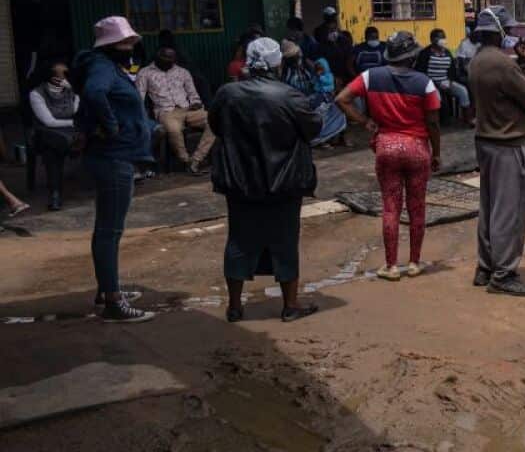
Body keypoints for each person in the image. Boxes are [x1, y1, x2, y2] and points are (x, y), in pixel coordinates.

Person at [209, 37, 322, 323]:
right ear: (277, 63)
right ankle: (290, 305)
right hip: (282, 181)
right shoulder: (289, 96)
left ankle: (235, 307)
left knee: (238, 240)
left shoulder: (227, 94)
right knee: (284, 241)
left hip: (240, 180)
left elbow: (215, 125)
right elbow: (313, 128)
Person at [336, 32, 442, 281]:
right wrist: (436, 154)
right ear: (413, 57)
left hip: (386, 148)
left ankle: (391, 266)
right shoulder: (425, 83)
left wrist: (365, 121)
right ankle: (415, 263)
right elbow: (434, 123)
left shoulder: (371, 76)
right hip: (417, 149)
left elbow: (342, 99)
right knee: (417, 207)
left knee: (390, 207)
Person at [72, 17, 155, 322]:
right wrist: (111, 126)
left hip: (112, 156)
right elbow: (94, 94)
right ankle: (113, 302)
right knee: (110, 230)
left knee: (106, 228)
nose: (131, 46)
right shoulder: (102, 68)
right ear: (110, 45)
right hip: (113, 158)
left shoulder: (104, 65)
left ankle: (106, 288)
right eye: (126, 42)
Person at [469, 6, 525, 296]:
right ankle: (504, 273)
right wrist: (522, 65)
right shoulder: (503, 64)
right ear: (498, 31)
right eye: (507, 30)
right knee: (510, 211)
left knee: (489, 207)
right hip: (507, 143)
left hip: (485, 141)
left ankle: (485, 267)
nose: (510, 34)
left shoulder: (477, 61)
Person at [134, 43, 216, 174]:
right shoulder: (145, 73)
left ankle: (196, 159)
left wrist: (196, 103)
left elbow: (192, 93)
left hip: (188, 109)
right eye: (166, 60)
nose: (169, 63)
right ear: (157, 58)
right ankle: (186, 161)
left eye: (171, 61)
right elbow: (139, 97)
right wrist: (143, 116)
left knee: (214, 121)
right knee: (174, 130)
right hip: (166, 112)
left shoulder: (182, 72)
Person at [28, 59, 78, 210]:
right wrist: (74, 123)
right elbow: (49, 121)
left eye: (66, 76)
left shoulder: (72, 92)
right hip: (46, 133)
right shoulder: (37, 94)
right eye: (61, 76)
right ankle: (55, 194)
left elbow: (77, 113)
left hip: (71, 132)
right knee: (52, 147)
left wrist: (73, 90)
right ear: (52, 77)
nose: (64, 79)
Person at [417, 28, 473, 124]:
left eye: (443, 37)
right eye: (439, 37)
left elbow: (452, 70)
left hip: (446, 81)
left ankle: (467, 119)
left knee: (462, 91)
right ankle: (435, 122)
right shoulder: (425, 53)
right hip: (430, 83)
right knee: (437, 97)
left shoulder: (447, 53)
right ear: (432, 39)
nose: (442, 39)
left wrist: (449, 80)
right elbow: (421, 72)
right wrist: (433, 83)